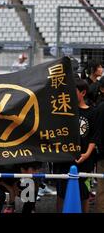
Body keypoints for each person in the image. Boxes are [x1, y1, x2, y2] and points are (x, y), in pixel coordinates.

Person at [54, 79, 99, 213]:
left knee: (84, 193)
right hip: (64, 159)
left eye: (73, 92)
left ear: (83, 92)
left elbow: (94, 137)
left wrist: (87, 154)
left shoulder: (92, 112)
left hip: (85, 160)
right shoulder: (64, 110)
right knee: (61, 192)